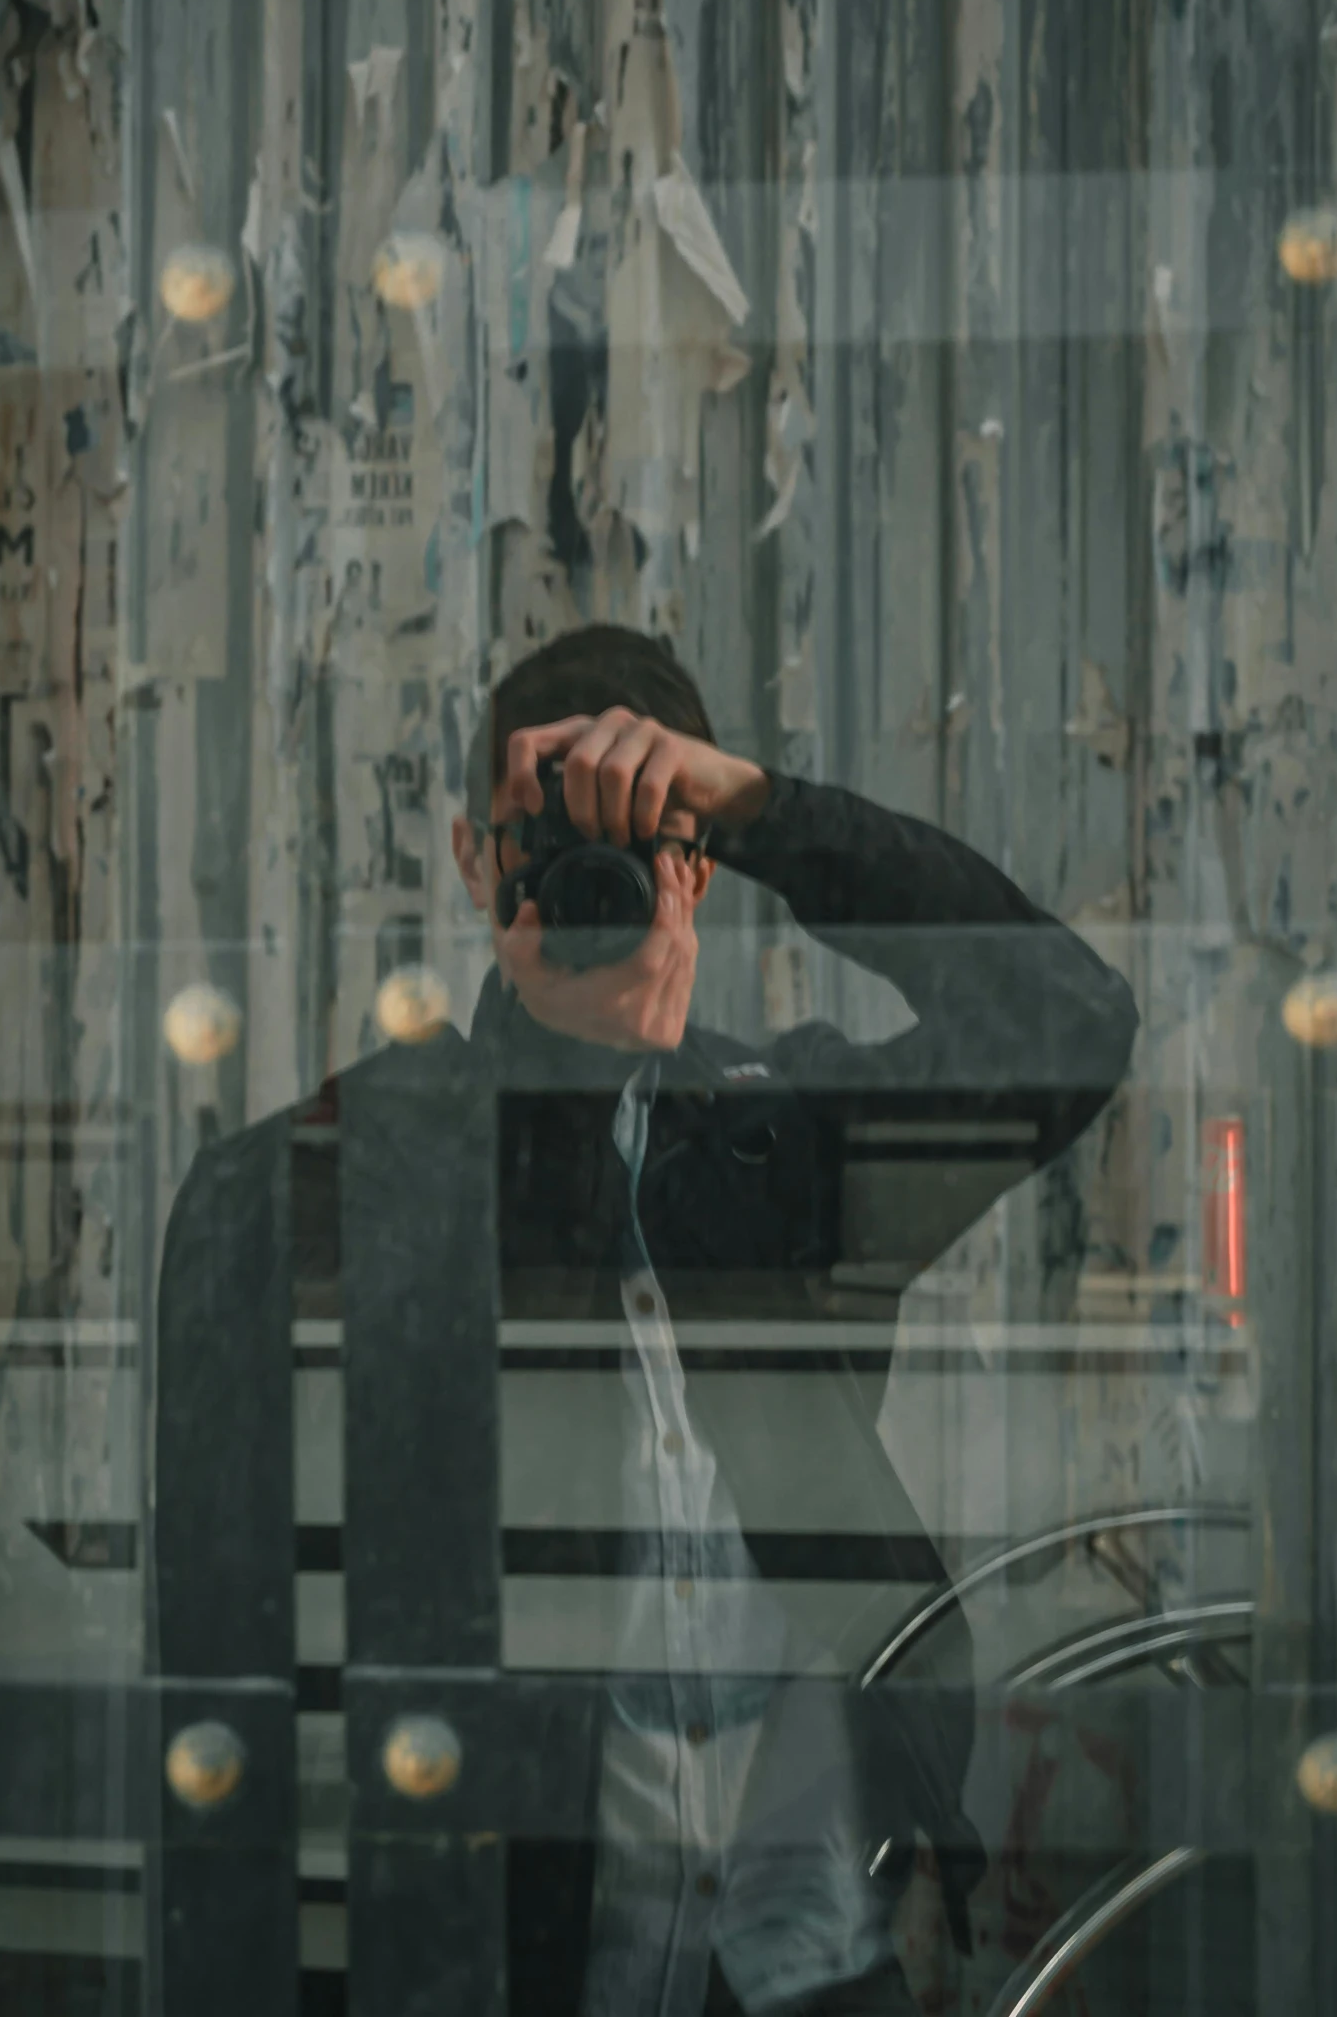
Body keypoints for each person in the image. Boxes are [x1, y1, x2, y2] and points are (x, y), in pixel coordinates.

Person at [156, 622, 1138, 2017]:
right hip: (500, 1965)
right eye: (539, 845)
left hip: (812, 1964)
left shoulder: (776, 1148)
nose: (591, 883)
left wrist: (761, 809)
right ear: (473, 863)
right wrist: (567, 1059)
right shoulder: (347, 1175)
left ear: (699, 863)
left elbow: (1075, 1020)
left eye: (647, 840)